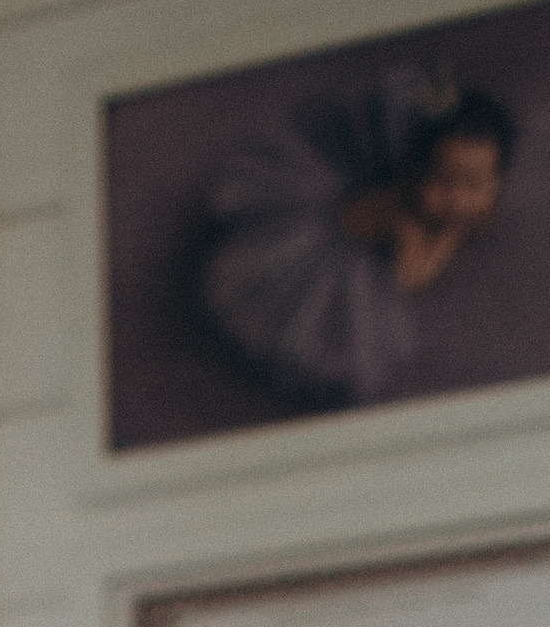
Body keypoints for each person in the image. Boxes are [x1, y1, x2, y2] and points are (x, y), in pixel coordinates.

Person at [198, 73, 517, 413]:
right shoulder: (402, 216)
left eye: (475, 186)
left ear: (495, 182)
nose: (456, 199)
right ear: (413, 172)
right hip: (329, 252)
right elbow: (411, 278)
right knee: (330, 333)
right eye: (442, 182)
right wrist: (450, 238)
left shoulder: (451, 207)